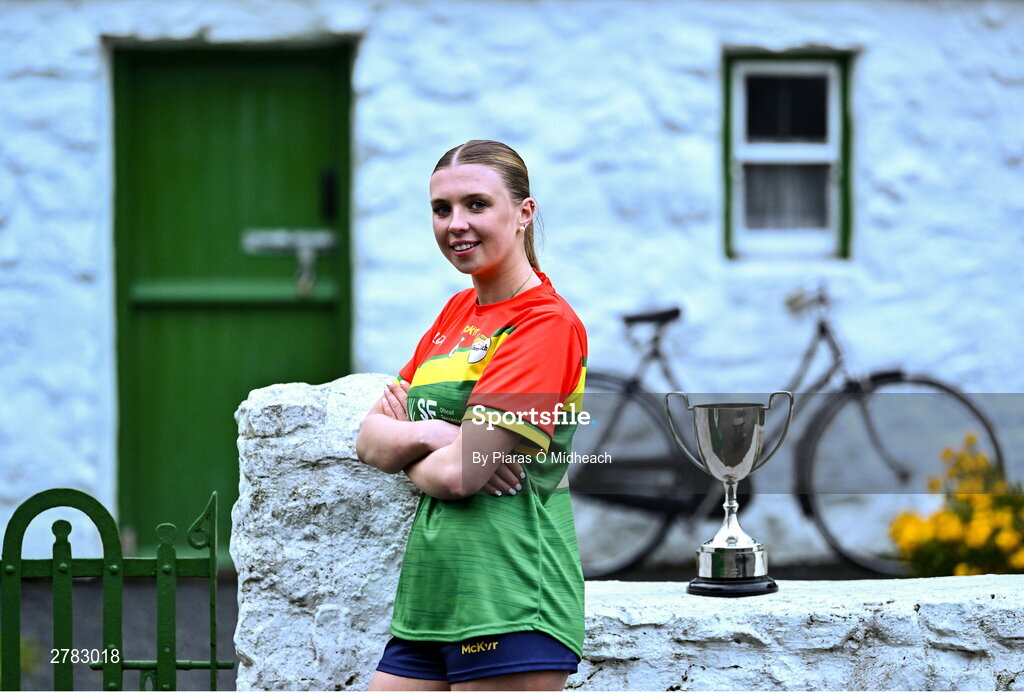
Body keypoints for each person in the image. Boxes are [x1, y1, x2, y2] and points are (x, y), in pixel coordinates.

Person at [356, 140, 587, 691]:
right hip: (432, 599)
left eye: (476, 205)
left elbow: (463, 475)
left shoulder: (543, 325)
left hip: (509, 597)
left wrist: (415, 444)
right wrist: (439, 433)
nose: (456, 224)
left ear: (524, 213)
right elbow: (368, 439)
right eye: (442, 209)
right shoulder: (457, 313)